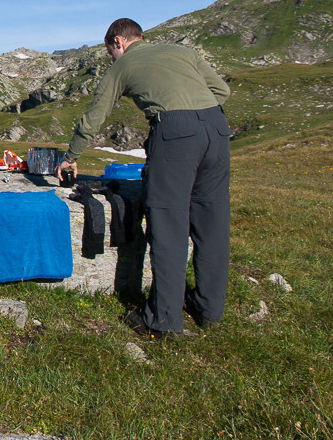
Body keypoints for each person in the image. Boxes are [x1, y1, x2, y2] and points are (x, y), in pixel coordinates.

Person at [54, 18, 231, 338]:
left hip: (175, 134)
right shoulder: (184, 53)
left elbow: (95, 117)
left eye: (110, 52)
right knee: (212, 222)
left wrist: (70, 157)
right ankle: (208, 309)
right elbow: (222, 90)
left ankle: (162, 321)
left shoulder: (122, 66)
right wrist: (197, 112)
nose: (111, 58)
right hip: (217, 130)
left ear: (118, 42)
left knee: (168, 225)